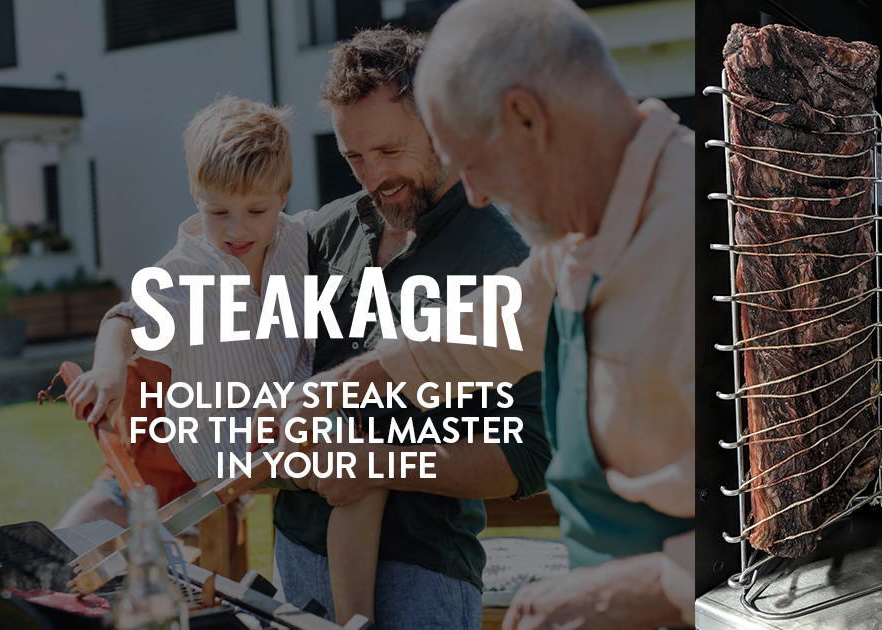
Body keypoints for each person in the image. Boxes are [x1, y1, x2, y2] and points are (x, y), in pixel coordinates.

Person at [280, 1, 696, 628]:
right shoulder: (580, 237)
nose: (474, 194)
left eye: (472, 161)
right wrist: (332, 390)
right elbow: (481, 331)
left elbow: (794, 517)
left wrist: (636, 591)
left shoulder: (712, 237)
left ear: (526, 117)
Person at [61, 95, 390, 624]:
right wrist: (108, 369)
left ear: (283, 196)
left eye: (256, 211)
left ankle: (351, 618)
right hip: (220, 443)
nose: (237, 230)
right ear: (196, 197)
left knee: (362, 469)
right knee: (357, 470)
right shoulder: (184, 272)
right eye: (218, 212)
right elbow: (121, 319)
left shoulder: (298, 238)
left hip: (282, 421)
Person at [267, 27, 550, 629]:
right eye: (354, 157)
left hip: (422, 575)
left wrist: (375, 463)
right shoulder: (326, 232)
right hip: (297, 550)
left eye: (390, 151)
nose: (373, 177)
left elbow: (528, 456)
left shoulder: (504, 260)